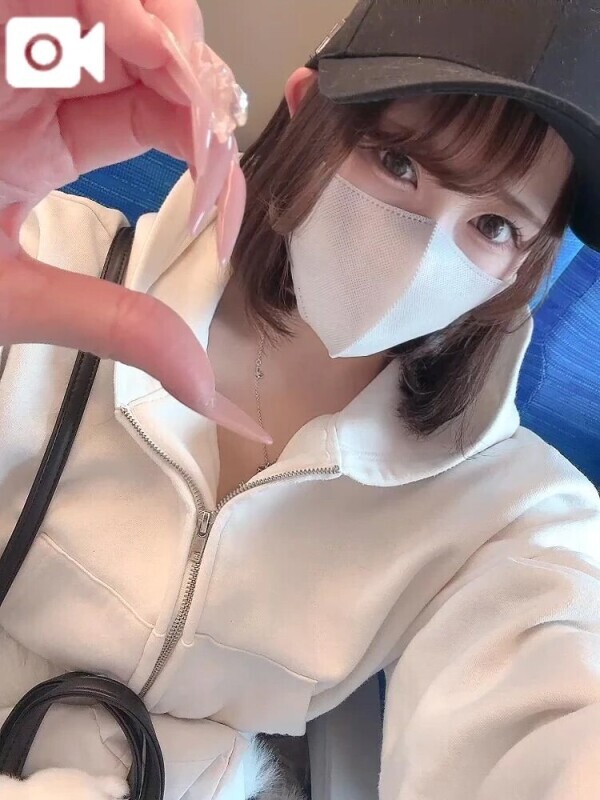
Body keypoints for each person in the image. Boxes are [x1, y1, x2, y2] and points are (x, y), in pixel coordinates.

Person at [1, 0, 599, 799]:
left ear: (525, 261)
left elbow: (549, 713)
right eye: (397, 162)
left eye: (493, 225)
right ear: (307, 110)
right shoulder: (41, 271)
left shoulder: (511, 511)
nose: (423, 252)